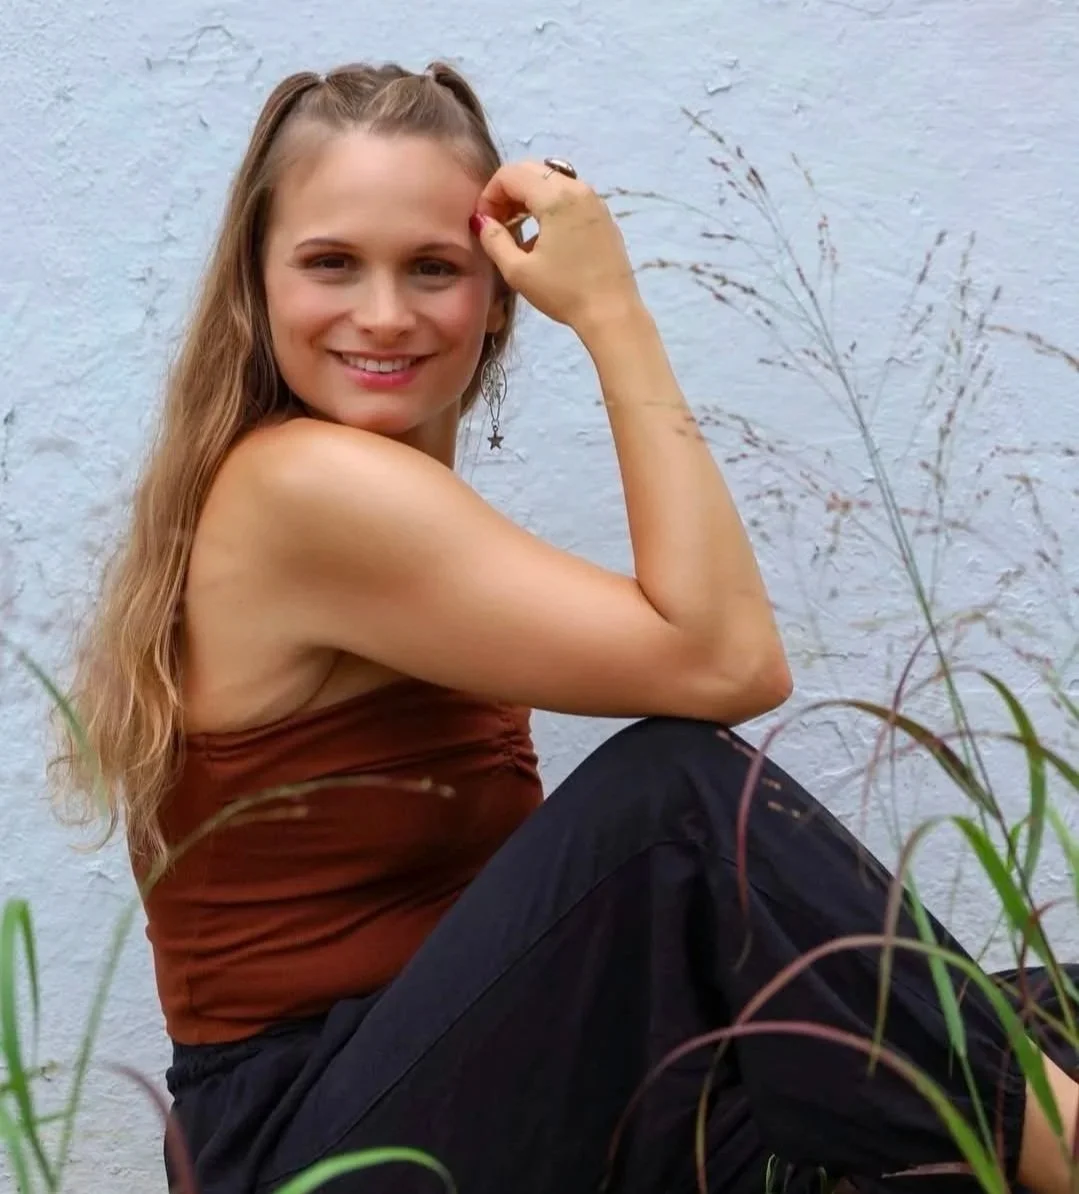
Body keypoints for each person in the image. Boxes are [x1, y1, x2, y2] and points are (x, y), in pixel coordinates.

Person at [51, 60, 1077, 1194]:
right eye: (331, 263)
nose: (383, 313)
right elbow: (724, 661)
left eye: (432, 268)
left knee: (1025, 1019)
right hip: (318, 1151)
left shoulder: (367, 504)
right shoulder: (297, 490)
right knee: (673, 797)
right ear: (255, 284)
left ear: (491, 299)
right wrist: (610, 311)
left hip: (483, 1086)